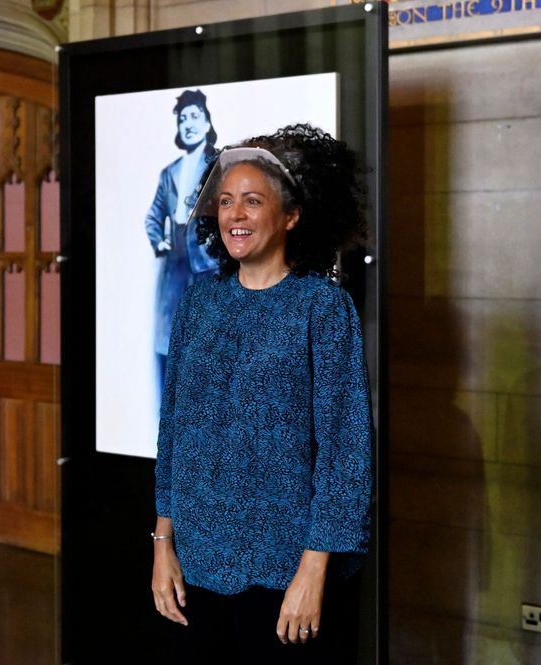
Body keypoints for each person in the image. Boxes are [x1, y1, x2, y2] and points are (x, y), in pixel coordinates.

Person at [150, 124, 372, 664]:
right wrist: (163, 544)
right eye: (226, 202)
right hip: (195, 563)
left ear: (292, 215)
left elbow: (346, 452)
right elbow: (173, 429)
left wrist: (314, 569)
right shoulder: (200, 303)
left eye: (253, 201)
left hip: (283, 569)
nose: (235, 215)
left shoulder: (321, 307)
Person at [144, 89, 220, 395]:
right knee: (168, 339)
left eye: (194, 117)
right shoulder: (169, 172)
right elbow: (153, 216)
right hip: (174, 262)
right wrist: (159, 242)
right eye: (183, 118)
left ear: (206, 123)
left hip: (205, 262)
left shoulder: (219, 163)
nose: (188, 124)